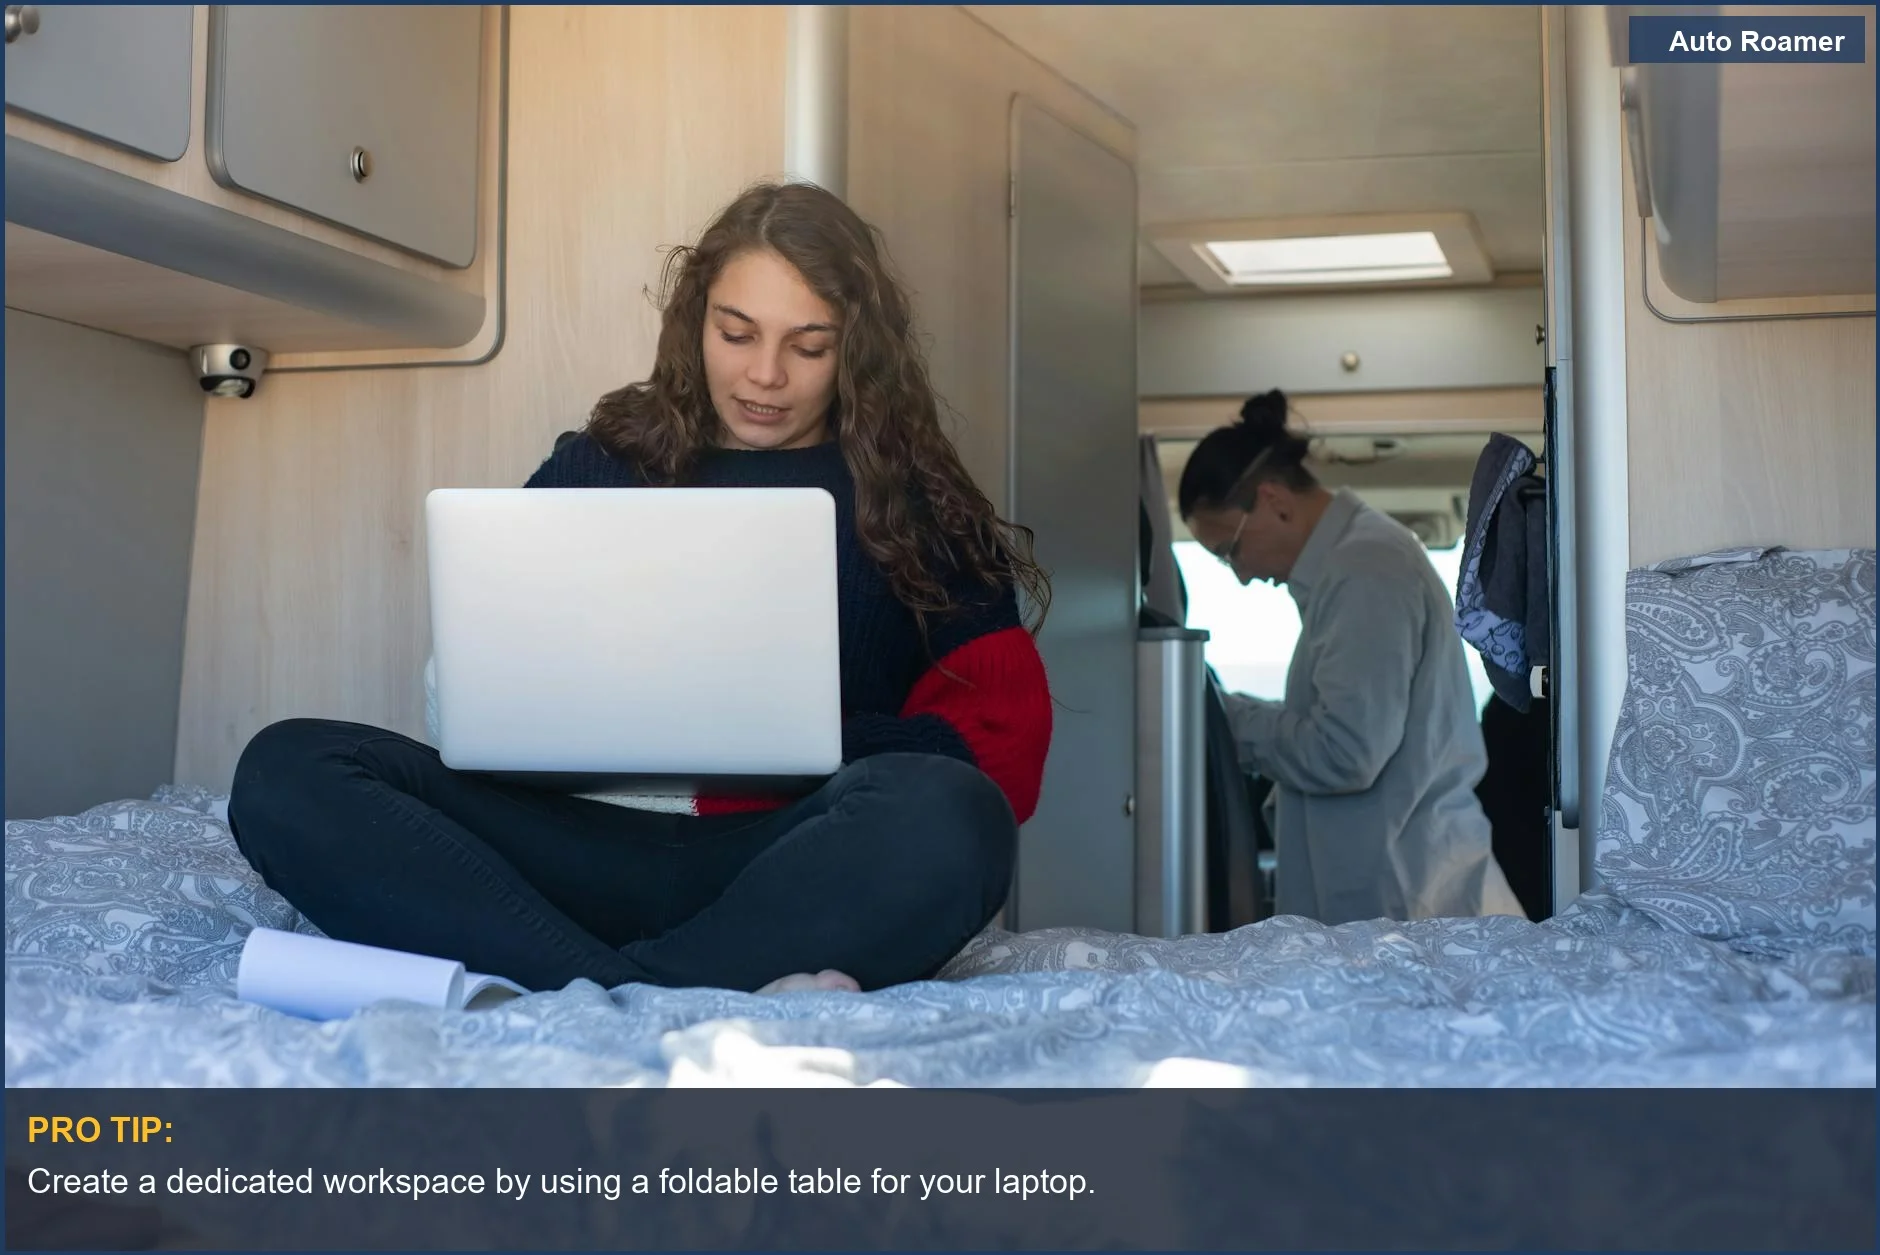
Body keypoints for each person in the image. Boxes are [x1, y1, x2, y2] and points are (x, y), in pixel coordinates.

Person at [227, 182, 1054, 996]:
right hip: (567, 845)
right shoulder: (601, 462)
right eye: (737, 334)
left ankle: (579, 985)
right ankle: (659, 990)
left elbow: (1005, 746)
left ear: (857, 350)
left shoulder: (912, 503)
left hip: (776, 861)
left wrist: (805, 738)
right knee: (287, 767)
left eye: (809, 346)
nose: (765, 375)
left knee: (955, 817)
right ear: (697, 321)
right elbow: (469, 705)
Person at [1177, 390, 1521, 925]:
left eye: (1230, 551)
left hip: (1407, 902)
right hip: (1392, 897)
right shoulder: (1351, 567)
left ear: (1273, 500)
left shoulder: (1366, 569)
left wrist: (1222, 718)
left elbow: (1346, 750)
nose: (1241, 575)